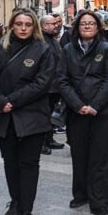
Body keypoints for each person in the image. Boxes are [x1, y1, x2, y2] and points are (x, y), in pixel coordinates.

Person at [0, 9, 55, 215]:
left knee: (30, 165)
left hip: (32, 115)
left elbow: (42, 82)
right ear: (12, 25)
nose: (23, 28)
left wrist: (12, 100)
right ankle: (15, 201)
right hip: (4, 114)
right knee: (10, 163)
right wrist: (0, 101)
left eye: (28, 24)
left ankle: (26, 212)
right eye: (19, 24)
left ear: (35, 27)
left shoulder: (43, 50)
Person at [57, 11, 108, 215]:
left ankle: (100, 201)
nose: (87, 26)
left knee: (101, 158)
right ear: (77, 27)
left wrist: (95, 105)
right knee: (79, 154)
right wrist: (78, 105)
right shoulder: (67, 50)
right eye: (83, 23)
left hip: (103, 111)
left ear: (98, 27)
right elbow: (62, 80)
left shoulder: (107, 49)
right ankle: (81, 194)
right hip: (77, 111)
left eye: (91, 23)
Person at [40, 16, 65, 154]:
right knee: (44, 115)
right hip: (47, 86)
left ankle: (49, 139)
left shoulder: (53, 40)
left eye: (56, 23)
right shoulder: (41, 41)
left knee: (51, 114)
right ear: (44, 26)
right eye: (53, 24)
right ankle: (42, 142)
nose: (56, 26)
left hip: (55, 85)